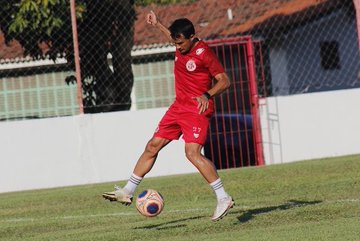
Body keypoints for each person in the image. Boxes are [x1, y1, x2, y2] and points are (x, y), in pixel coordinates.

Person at [102, 10, 234, 221]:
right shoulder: (180, 44)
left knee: (192, 153)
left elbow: (225, 80)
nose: (178, 47)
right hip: (178, 107)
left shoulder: (203, 53)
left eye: (181, 43)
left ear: (192, 37)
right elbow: (171, 37)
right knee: (152, 146)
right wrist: (158, 25)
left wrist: (206, 95)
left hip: (197, 110)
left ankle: (223, 197)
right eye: (175, 43)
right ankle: (127, 191)